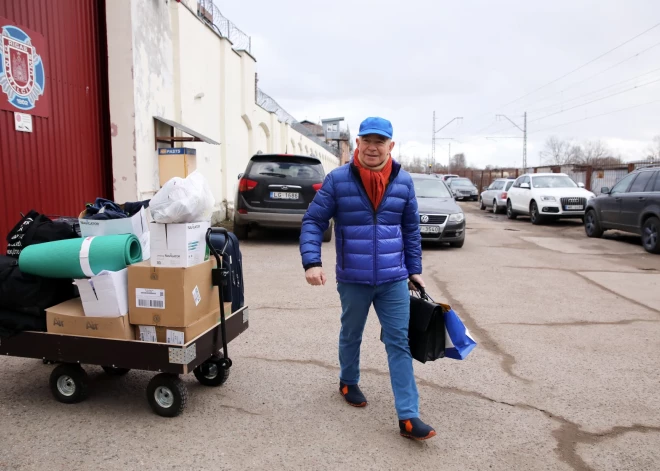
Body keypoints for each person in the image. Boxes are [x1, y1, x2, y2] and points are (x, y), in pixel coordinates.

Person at [299, 116, 436, 441]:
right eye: (367, 141)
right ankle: (348, 380)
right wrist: (312, 261)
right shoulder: (338, 180)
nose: (373, 148)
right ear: (357, 144)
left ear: (391, 146)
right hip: (353, 278)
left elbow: (411, 229)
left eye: (380, 142)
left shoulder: (403, 182)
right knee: (351, 333)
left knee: (398, 342)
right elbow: (313, 220)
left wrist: (414, 268)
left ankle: (408, 416)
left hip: (393, 279)